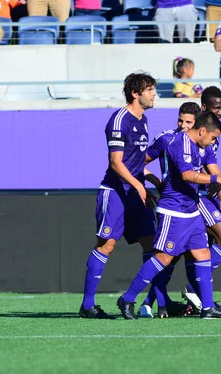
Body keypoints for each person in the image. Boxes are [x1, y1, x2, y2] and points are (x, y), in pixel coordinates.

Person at [117, 112, 221, 320]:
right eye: (213, 137)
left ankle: (208, 308)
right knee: (163, 258)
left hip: (192, 210)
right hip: (174, 211)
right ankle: (128, 298)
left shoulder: (202, 146)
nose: (214, 142)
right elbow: (187, 175)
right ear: (202, 131)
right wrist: (218, 178)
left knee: (203, 255)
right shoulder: (178, 143)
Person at [78, 72, 158, 319]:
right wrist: (139, 185)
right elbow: (116, 163)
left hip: (135, 192)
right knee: (106, 245)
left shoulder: (143, 120)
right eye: (150, 89)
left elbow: (135, 163)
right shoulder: (119, 120)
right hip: (115, 192)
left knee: (152, 244)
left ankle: (155, 303)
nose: (155, 94)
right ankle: (87, 306)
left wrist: (154, 181)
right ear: (136, 93)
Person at [180, 86, 221, 314]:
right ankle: (192, 290)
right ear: (204, 107)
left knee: (199, 250)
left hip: (208, 195)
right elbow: (197, 170)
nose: (220, 112)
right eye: (215, 107)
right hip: (195, 196)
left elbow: (212, 168)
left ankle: (197, 297)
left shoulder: (213, 134)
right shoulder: (194, 133)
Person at [138, 101, 204, 318]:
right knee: (167, 255)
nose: (183, 125)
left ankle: (162, 301)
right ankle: (150, 302)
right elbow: (137, 162)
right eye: (180, 120)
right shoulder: (167, 138)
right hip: (172, 205)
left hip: (194, 203)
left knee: (186, 253)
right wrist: (155, 182)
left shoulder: (202, 141)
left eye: (188, 122)